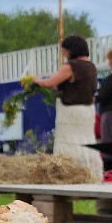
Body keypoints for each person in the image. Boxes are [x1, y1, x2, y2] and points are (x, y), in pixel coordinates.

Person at [32, 35, 104, 179]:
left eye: (64, 50)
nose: (63, 53)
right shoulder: (91, 67)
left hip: (70, 111)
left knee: (69, 141)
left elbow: (50, 83)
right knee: (86, 141)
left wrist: (35, 80)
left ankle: (68, 173)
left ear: (71, 50)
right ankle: (89, 173)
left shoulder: (70, 67)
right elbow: (72, 86)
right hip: (87, 112)